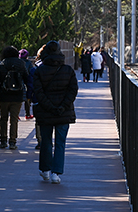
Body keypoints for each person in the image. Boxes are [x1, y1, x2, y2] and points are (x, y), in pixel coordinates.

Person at [33, 40, 78, 184]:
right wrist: (63, 106)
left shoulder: (39, 71)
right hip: (63, 112)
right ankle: (56, 173)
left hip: (46, 112)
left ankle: (45, 170)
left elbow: (38, 92)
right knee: (60, 143)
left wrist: (50, 107)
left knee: (46, 141)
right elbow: (73, 91)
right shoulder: (68, 70)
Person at [0, 46, 28, 150]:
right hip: (17, 96)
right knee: (14, 119)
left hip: (4, 96)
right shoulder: (21, 64)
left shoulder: (2, 65)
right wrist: (30, 93)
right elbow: (27, 79)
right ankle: (13, 142)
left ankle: (3, 141)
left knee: (3, 118)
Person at [19, 49, 34, 120]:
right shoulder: (28, 63)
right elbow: (31, 72)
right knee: (27, 99)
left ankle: (16, 114)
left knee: (18, 99)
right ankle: (27, 114)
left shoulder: (17, 62)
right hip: (27, 82)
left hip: (17, 82)